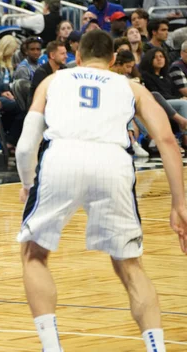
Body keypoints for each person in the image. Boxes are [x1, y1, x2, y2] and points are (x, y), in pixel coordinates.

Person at [15, 29, 187, 352]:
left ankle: (52, 348)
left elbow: (25, 146)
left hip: (61, 157)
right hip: (114, 162)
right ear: (112, 61)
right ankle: (156, 348)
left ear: (76, 57)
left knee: (34, 254)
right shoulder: (131, 86)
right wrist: (180, 203)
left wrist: (27, 184)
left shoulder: (53, 81)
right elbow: (166, 140)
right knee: (130, 264)